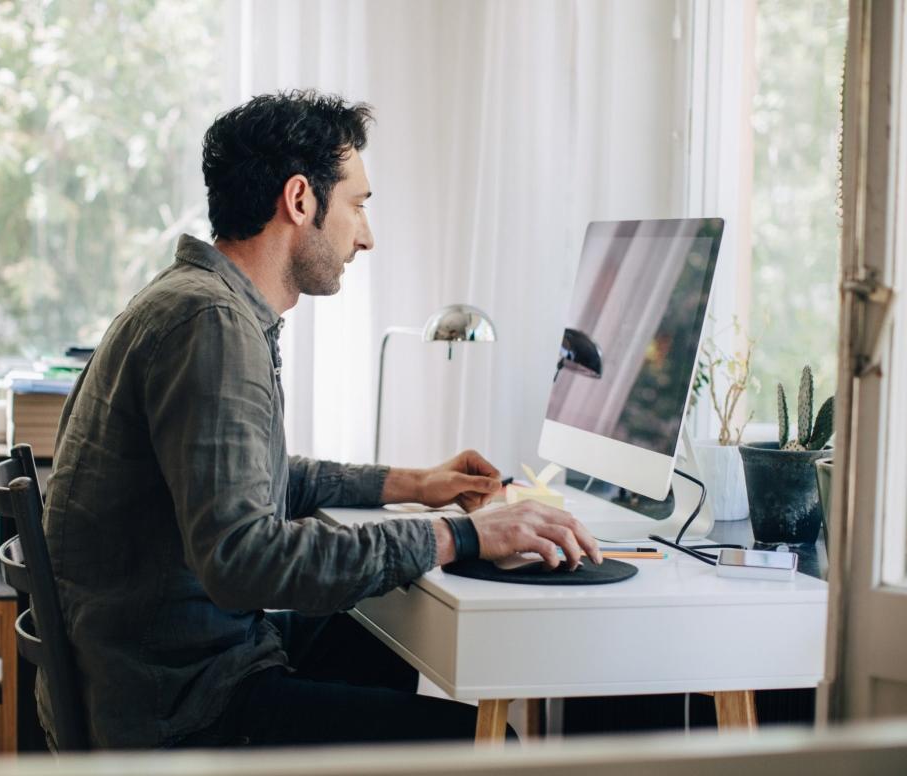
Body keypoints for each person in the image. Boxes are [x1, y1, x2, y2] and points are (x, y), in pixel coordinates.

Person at [41, 90, 602, 750]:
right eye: (358, 204)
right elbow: (243, 559)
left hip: (162, 670)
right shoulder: (212, 325)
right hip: (184, 708)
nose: (365, 235)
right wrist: (463, 535)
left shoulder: (197, 303)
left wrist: (412, 484)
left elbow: (263, 480)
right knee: (488, 748)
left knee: (384, 637)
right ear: (300, 199)